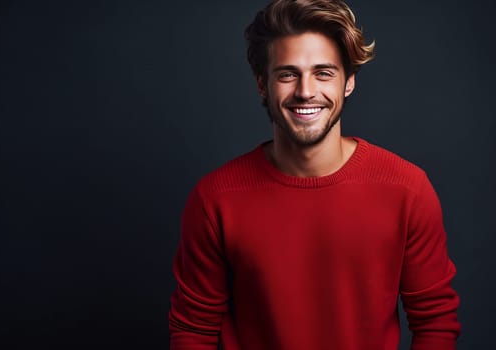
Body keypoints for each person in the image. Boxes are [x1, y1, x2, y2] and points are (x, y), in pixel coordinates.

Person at [168, 0, 460, 349]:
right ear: (263, 84)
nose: (306, 91)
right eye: (288, 74)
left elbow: (435, 323)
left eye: (324, 73)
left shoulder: (407, 190)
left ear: (348, 82)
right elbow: (193, 331)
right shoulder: (215, 199)